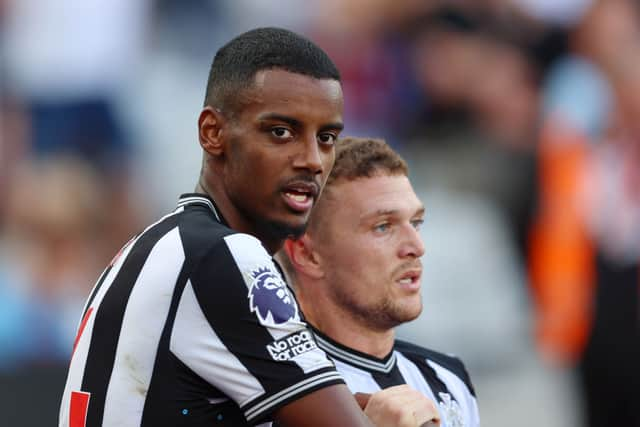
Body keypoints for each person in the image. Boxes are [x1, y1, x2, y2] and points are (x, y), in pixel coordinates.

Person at [58, 27, 439, 427]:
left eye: (326, 138)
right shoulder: (223, 256)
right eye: (281, 132)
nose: (312, 159)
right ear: (213, 133)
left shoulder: (166, 244)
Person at [279, 136, 481, 427]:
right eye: (383, 226)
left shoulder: (447, 378)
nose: (416, 246)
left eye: (416, 223)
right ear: (308, 254)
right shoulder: (268, 396)